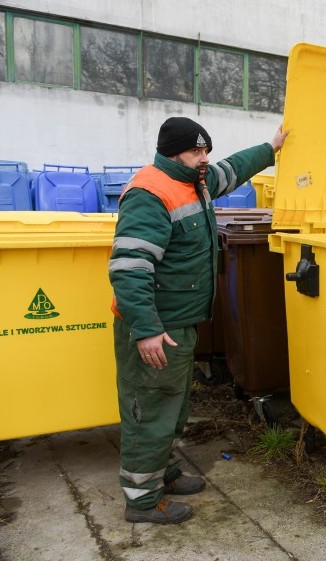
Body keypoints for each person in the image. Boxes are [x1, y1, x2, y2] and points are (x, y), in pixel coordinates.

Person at [109, 117, 288, 524]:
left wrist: (270, 147)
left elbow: (231, 169)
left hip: (177, 325)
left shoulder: (194, 180)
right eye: (197, 151)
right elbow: (129, 267)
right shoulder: (150, 194)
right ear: (174, 154)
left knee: (172, 408)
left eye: (206, 150)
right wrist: (148, 330)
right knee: (151, 411)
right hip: (156, 328)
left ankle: (164, 473)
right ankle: (141, 501)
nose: (205, 158)